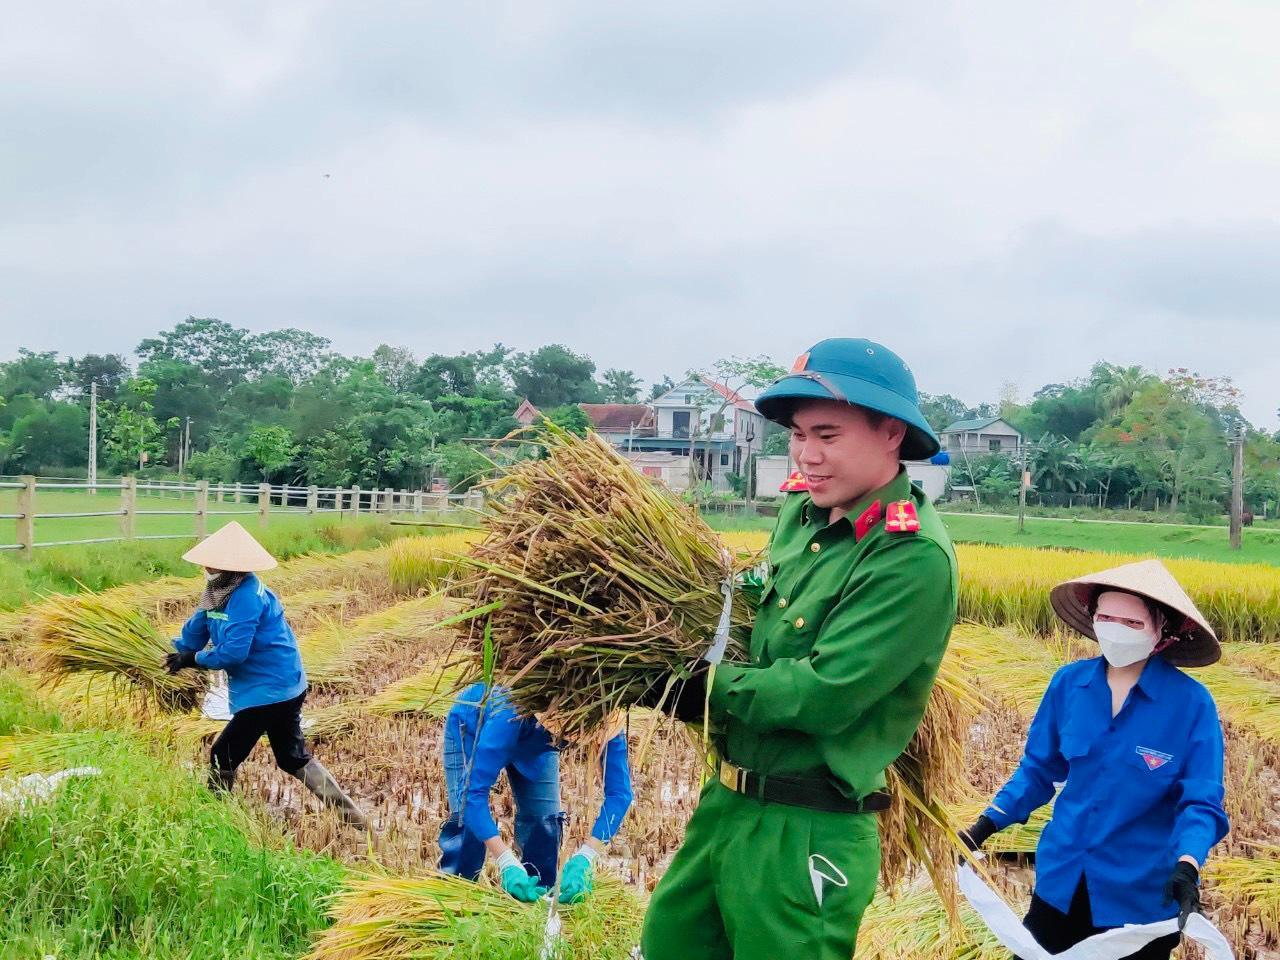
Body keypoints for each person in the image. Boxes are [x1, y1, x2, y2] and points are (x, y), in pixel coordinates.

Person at [639, 337, 959, 960]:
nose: (807, 455)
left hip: (807, 828)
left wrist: (699, 689)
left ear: (891, 433)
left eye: (828, 436)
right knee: (669, 944)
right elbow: (756, 606)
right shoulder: (801, 512)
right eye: (797, 435)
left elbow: (822, 694)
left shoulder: (910, 557)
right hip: (726, 802)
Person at [960, 559, 1229, 960]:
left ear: (1162, 630)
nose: (1116, 630)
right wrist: (984, 826)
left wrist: (1188, 864)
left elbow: (1201, 801)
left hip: (1139, 894)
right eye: (1106, 618)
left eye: (1132, 623)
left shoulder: (1191, 705)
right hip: (1062, 879)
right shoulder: (1069, 685)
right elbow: (1037, 772)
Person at [164, 521, 368, 829]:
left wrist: (192, 659)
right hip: (280, 685)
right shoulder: (218, 590)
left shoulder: (246, 596)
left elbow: (233, 653)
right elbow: (198, 627)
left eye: (211, 563)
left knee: (222, 754)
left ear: (228, 565)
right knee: (291, 758)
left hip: (270, 688)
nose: (205, 568)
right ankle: (357, 822)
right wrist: (173, 652)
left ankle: (212, 821)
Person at [439, 682, 634, 903]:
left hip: (538, 746)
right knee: (468, 827)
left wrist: (587, 856)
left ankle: (536, 902)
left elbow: (620, 794)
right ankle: (456, 901)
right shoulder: (510, 711)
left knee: (544, 826)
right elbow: (472, 794)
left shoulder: (606, 718)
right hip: (475, 726)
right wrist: (505, 861)